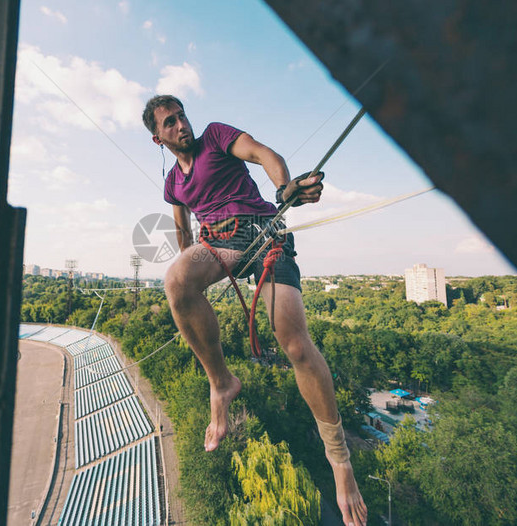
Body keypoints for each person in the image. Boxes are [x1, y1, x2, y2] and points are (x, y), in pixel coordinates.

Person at [142, 95, 367, 526]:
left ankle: (339, 459)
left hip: (261, 234)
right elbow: (182, 229)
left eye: (182, 116)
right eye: (170, 123)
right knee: (175, 281)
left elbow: (265, 154)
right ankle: (222, 384)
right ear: (158, 138)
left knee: (295, 345)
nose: (181, 126)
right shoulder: (173, 182)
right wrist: (191, 285)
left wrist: (285, 189)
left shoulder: (216, 138)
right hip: (218, 245)